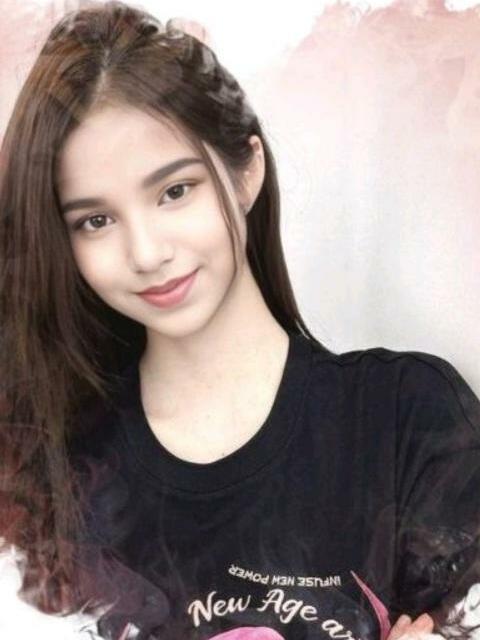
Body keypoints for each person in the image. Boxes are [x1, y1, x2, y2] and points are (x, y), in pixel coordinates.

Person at [0, 2, 479, 639]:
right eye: (96, 220)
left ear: (246, 171)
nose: (147, 253)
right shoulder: (56, 477)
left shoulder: (406, 420)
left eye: (175, 191)